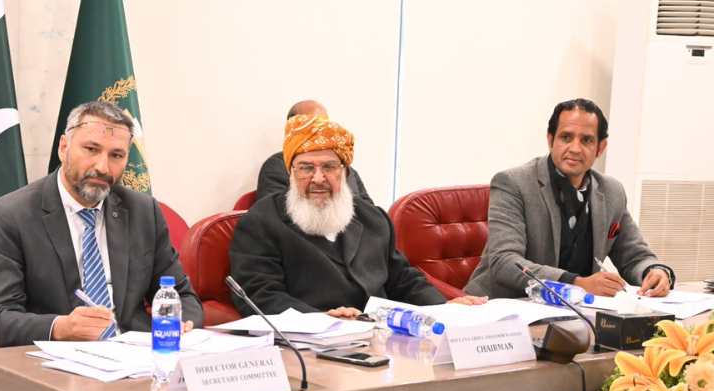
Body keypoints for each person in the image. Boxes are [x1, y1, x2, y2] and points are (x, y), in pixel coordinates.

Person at [0, 101, 203, 347]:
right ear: (64, 148)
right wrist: (61, 328)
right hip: (61, 357)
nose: (102, 167)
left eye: (116, 155)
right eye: (91, 149)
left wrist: (183, 323)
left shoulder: (144, 211)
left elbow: (181, 295)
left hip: (136, 353)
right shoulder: (9, 215)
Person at [230, 114, 486, 318]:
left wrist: (443, 309)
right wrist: (319, 320)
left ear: (345, 173)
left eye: (329, 167)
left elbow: (402, 278)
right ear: (291, 175)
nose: (317, 178)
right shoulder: (262, 221)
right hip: (311, 346)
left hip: (381, 338)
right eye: (305, 168)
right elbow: (259, 295)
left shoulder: (371, 217)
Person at [464, 98, 674, 300]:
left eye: (587, 140)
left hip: (574, 312)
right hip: (500, 306)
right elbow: (505, 262)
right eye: (566, 137)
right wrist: (575, 283)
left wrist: (654, 271)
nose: (575, 148)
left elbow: (635, 256)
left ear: (600, 148)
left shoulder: (612, 191)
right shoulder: (513, 183)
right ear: (550, 140)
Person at [256, 100, 374, 204]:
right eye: (306, 168)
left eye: (325, 124)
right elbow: (273, 210)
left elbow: (369, 210)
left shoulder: (345, 168)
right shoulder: (276, 165)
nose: (321, 129)